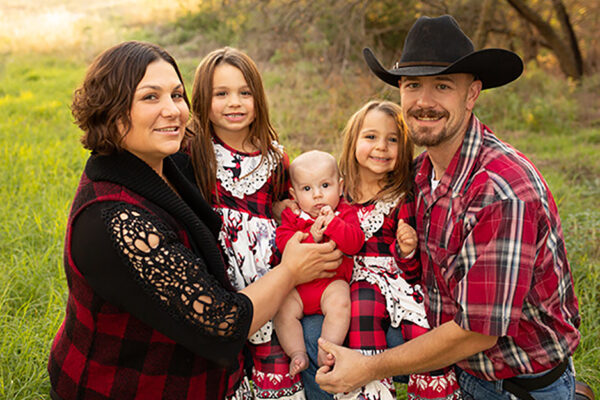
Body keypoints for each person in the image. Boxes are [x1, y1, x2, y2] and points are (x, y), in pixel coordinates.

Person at [47, 41, 342, 400]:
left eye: (177, 95)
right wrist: (292, 270)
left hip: (197, 375)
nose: (172, 110)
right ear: (113, 109)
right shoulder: (119, 219)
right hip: (131, 385)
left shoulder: (169, 163)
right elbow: (222, 323)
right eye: (150, 97)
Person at [315, 15, 582, 400]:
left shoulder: (500, 190)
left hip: (517, 386)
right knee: (314, 335)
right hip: (460, 370)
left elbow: (477, 330)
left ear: (471, 94)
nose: (424, 102)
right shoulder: (422, 173)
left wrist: (369, 367)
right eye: (412, 86)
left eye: (442, 86)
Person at [187, 46, 311, 399]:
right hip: (218, 272)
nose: (235, 103)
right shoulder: (195, 151)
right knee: (224, 355)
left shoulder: (274, 157)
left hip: (266, 275)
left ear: (258, 98)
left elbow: (283, 205)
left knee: (271, 349)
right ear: (203, 100)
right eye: (221, 94)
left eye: (245, 92)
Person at [337, 100, 460, 400]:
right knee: (362, 309)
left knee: (421, 327)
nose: (382, 147)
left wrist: (406, 251)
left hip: (397, 281)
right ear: (353, 141)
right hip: (356, 280)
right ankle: (370, 390)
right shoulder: (339, 193)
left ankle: (434, 391)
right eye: (371, 137)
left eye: (393, 139)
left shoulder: (402, 196)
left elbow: (414, 269)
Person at [273, 150, 364, 378]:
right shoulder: (293, 218)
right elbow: (283, 243)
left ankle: (328, 349)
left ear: (340, 187)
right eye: (307, 189)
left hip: (331, 284)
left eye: (325, 185)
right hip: (299, 288)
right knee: (282, 310)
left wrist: (333, 224)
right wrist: (310, 237)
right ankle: (297, 353)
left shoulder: (344, 213)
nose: (317, 195)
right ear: (294, 195)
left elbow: (354, 243)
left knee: (341, 302)